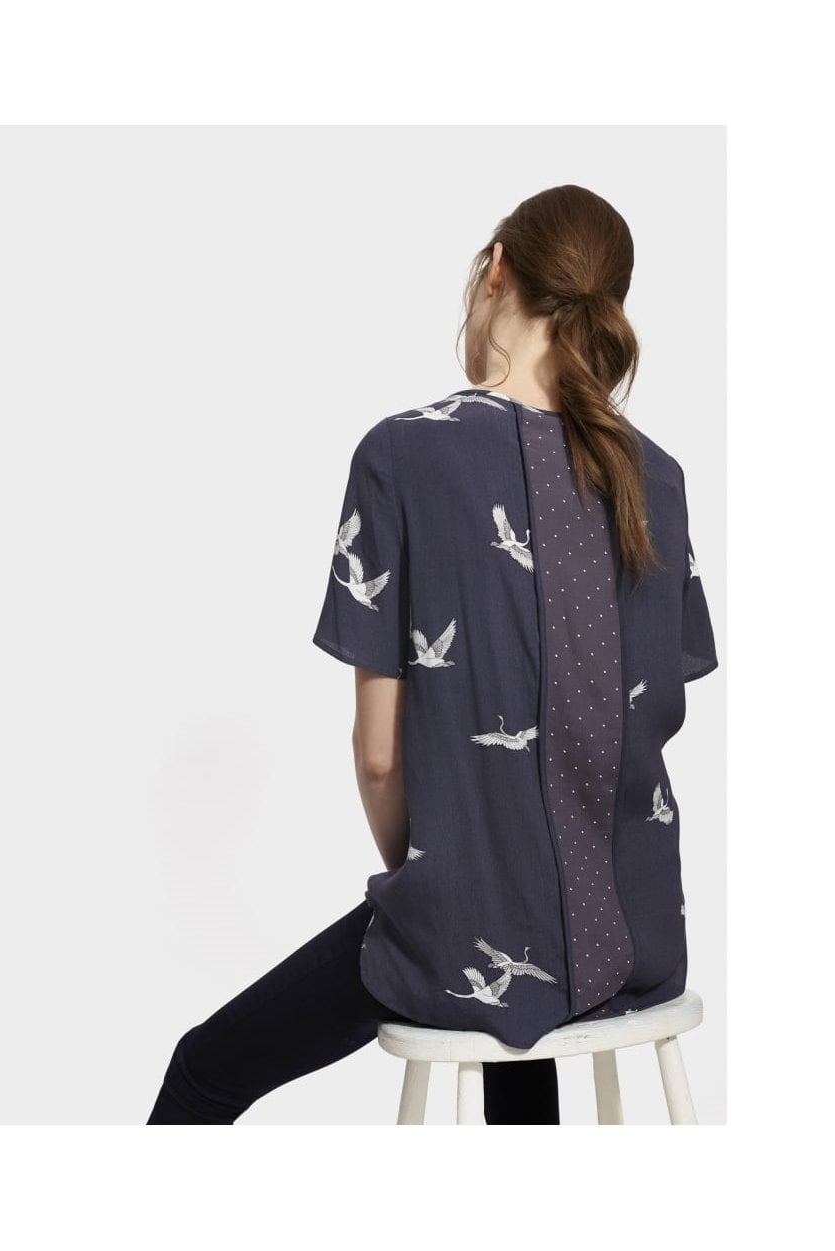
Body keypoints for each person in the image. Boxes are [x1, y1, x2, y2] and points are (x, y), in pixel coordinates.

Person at [146, 184, 719, 1125]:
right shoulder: (656, 478)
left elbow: (379, 756)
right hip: (640, 948)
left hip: (472, 929)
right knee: (514, 1015)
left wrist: (441, 875)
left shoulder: (405, 455)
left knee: (203, 1070)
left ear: (497, 270)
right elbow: (642, 717)